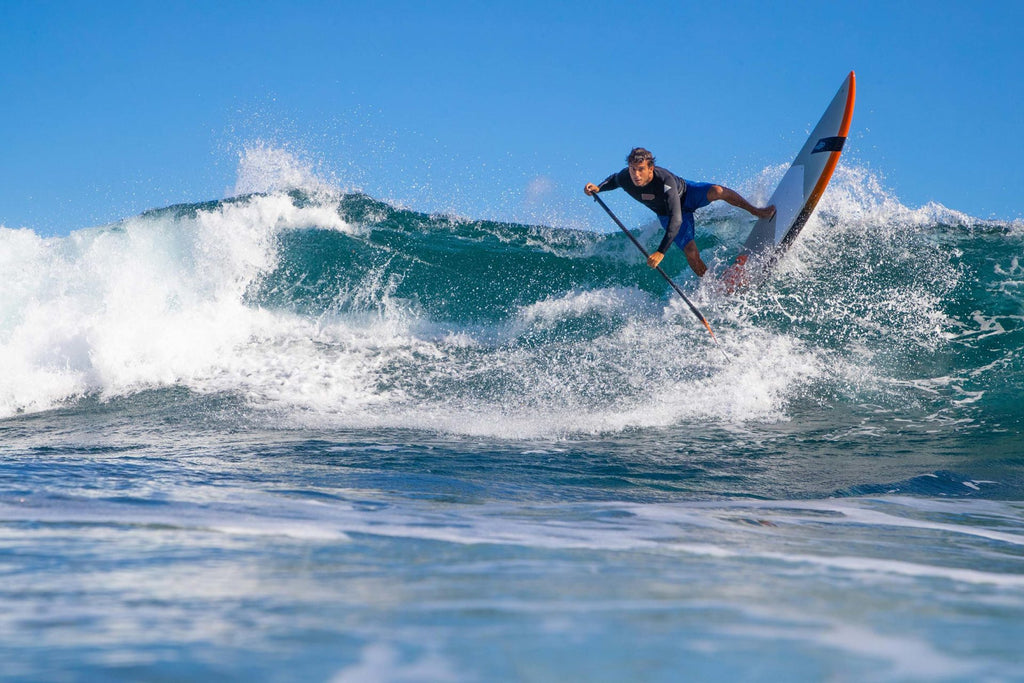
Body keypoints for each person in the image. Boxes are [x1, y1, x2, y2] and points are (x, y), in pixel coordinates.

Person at [584, 147, 774, 277]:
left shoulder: (664, 179)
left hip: (687, 195)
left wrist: (660, 252)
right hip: (665, 214)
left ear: (651, 168)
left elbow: (677, 219)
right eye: (633, 169)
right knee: (691, 252)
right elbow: (614, 180)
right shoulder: (626, 177)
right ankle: (711, 284)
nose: (636, 174)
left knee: (717, 191)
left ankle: (756, 211)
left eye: (641, 169)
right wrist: (599, 188)